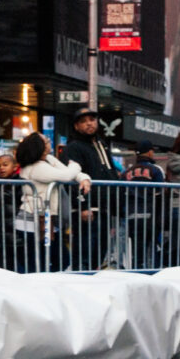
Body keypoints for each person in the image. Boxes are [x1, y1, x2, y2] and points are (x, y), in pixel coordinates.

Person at [11, 132, 88, 268]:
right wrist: (75, 166)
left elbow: (69, 173)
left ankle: (46, 285)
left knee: (59, 260)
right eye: (46, 141)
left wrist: (83, 178)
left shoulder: (49, 160)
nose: (49, 142)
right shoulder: (36, 167)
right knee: (38, 263)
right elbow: (67, 175)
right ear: (38, 146)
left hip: (48, 219)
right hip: (32, 221)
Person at [57, 107, 116, 181]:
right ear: (76, 126)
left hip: (110, 190)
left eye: (92, 119)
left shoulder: (101, 144)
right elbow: (72, 175)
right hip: (88, 191)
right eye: (83, 121)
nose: (89, 123)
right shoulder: (73, 147)